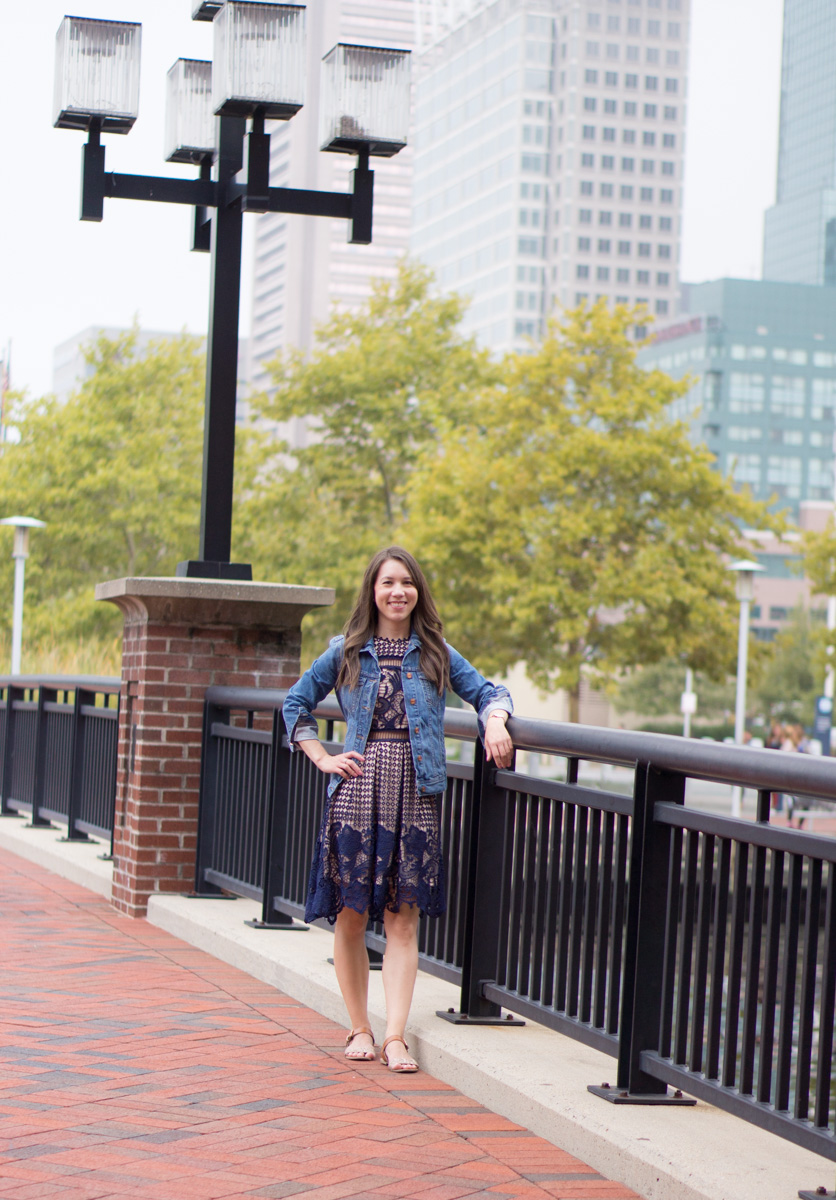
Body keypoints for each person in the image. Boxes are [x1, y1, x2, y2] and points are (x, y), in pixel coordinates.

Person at [282, 546, 514, 1073]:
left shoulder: (434, 651)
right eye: (388, 582)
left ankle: (394, 1037)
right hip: (358, 788)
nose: (397, 592)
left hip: (415, 791)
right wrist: (320, 755)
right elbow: (294, 703)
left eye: (407, 582)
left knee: (402, 917)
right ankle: (359, 1027)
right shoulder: (345, 651)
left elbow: (488, 691)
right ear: (373, 590)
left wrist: (495, 719)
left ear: (417, 591)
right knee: (351, 915)